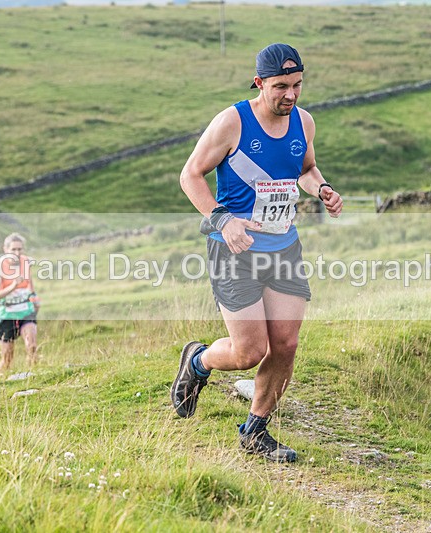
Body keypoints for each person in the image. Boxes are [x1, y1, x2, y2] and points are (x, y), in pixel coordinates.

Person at [171, 43, 343, 462]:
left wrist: (320, 188)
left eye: (298, 85)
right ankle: (197, 362)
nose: (291, 95)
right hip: (234, 250)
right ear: (259, 83)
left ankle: (255, 429)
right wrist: (222, 219)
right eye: (281, 86)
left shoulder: (304, 122)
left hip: (283, 246)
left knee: (285, 344)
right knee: (249, 352)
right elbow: (190, 175)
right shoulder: (232, 122)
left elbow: (305, 169)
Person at [0, 233, 40, 376]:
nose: (17, 253)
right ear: (5, 249)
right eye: (13, 249)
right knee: (7, 358)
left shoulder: (26, 262)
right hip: (6, 314)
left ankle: (33, 376)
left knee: (32, 347)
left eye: (20, 249)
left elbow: (31, 286)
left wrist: (34, 299)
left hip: (26, 311)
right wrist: (13, 285)